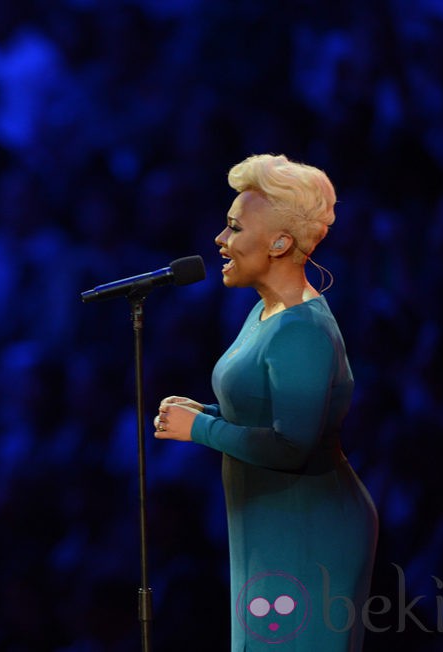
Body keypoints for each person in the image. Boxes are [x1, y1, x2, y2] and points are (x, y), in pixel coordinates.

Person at [153, 154, 378, 650]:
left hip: (306, 525)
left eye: (234, 227)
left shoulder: (302, 332)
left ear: (279, 243)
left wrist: (201, 430)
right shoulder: (264, 310)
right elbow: (261, 415)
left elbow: (291, 446)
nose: (220, 240)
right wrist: (206, 414)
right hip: (268, 516)